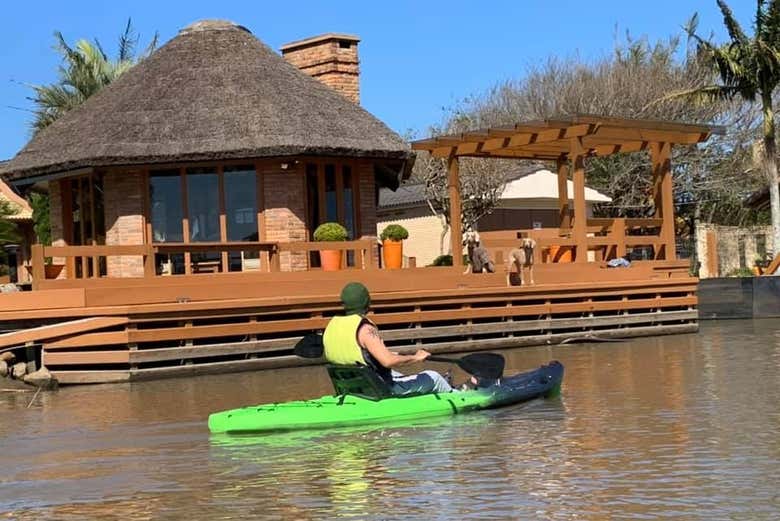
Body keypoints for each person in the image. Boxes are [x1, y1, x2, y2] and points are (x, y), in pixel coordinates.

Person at [323, 282, 454, 395]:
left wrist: (397, 354)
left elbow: (358, 354)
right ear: (366, 302)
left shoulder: (332, 325)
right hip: (378, 391)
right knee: (434, 376)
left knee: (396, 373)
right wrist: (416, 358)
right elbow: (387, 361)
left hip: (351, 388)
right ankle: (457, 395)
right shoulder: (365, 329)